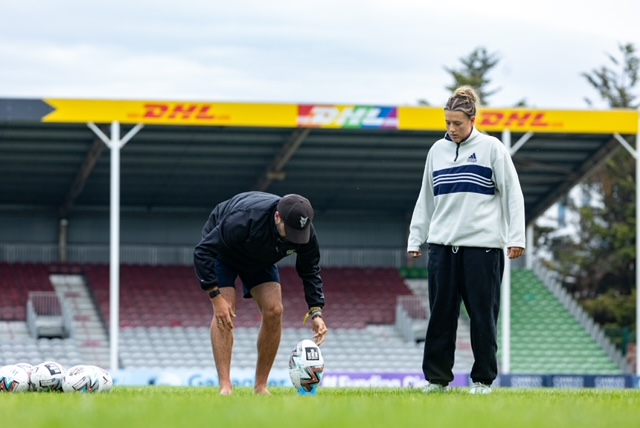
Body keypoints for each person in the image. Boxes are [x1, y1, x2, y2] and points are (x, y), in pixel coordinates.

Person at [407, 86, 525, 395]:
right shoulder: (436, 152)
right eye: (447, 122)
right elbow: (426, 198)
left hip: (482, 249)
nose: (451, 128)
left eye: (457, 123)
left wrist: (516, 237)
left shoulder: (492, 148)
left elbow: (513, 194)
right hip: (442, 248)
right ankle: (437, 380)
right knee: (441, 315)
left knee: (482, 316)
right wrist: (415, 238)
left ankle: (483, 380)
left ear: (472, 120)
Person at [194, 191, 328, 396]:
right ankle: (225, 386)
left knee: (275, 310)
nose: (294, 238)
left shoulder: (304, 231)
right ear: (277, 217)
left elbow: (310, 269)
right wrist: (216, 297)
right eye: (290, 231)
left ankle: (261, 387)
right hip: (224, 253)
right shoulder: (243, 218)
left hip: (260, 258)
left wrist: (316, 311)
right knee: (226, 311)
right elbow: (202, 252)